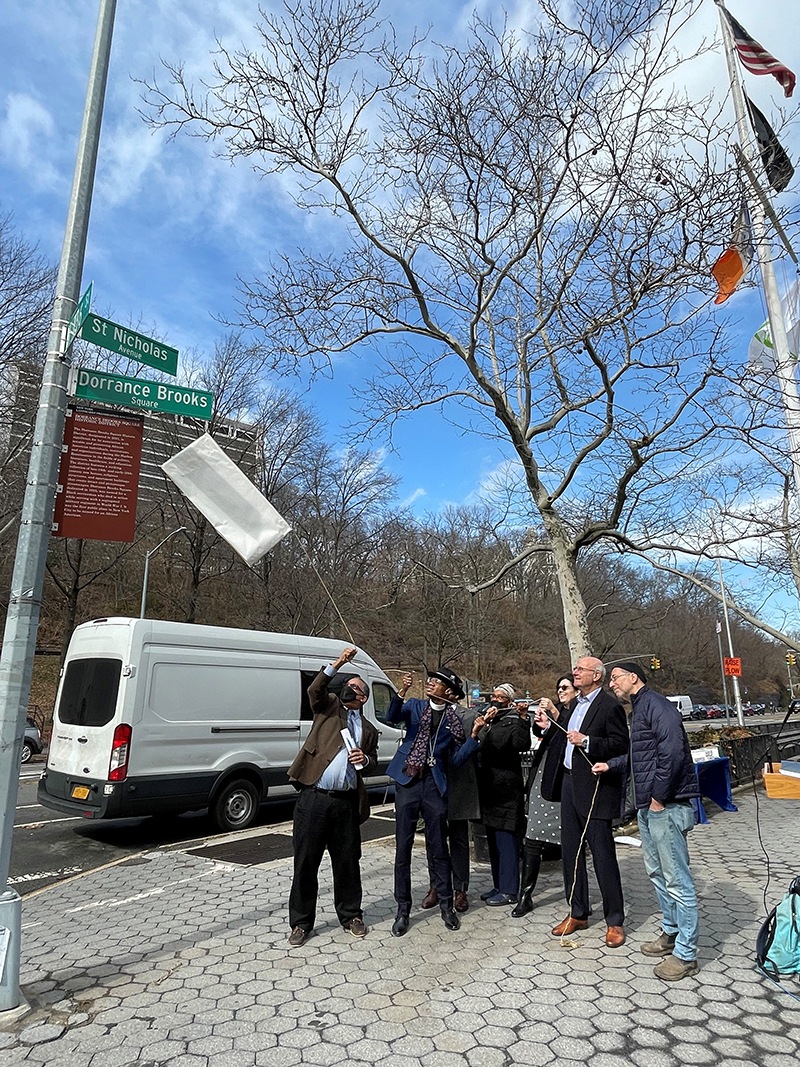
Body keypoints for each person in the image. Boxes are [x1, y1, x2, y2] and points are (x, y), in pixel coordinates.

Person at [594, 662, 701, 981]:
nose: (611, 683)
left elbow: (673, 753)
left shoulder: (658, 705)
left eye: (615, 677)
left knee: (678, 880)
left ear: (633, 677)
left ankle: (687, 953)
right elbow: (640, 756)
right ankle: (670, 933)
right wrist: (610, 765)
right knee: (657, 874)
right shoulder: (639, 709)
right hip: (649, 807)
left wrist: (657, 798)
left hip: (665, 808)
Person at [286, 646, 379, 948]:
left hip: (345, 803)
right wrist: (339, 663)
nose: (348, 690)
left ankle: (351, 915)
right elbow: (316, 688)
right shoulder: (327, 709)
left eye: (354, 687)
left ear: (363, 697)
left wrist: (364, 759)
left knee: (347, 863)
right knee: (305, 863)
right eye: (346, 686)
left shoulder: (367, 728)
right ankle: (301, 923)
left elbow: (373, 759)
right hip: (314, 798)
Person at [533, 656, 629, 947]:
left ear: (596, 676)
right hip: (569, 784)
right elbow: (561, 738)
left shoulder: (610, 706)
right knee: (571, 853)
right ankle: (578, 911)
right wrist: (545, 727)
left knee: (602, 854)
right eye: (575, 669)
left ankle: (614, 919)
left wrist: (588, 741)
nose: (575, 672)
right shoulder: (573, 704)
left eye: (580, 670)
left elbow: (620, 745)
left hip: (597, 787)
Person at [386, 666, 482, 935]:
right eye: (429, 681)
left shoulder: (452, 720)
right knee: (402, 847)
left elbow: (457, 759)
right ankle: (402, 910)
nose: (430, 684)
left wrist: (473, 736)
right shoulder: (415, 706)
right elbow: (392, 716)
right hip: (408, 778)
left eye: (436, 683)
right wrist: (401, 692)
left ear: (448, 691)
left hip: (434, 783)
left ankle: (446, 907)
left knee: (440, 846)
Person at [512, 675, 576, 918]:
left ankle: (576, 898)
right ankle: (525, 895)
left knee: (571, 843)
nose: (560, 691)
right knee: (532, 839)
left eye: (565, 687)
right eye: (558, 687)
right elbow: (543, 733)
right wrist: (540, 722)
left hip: (566, 779)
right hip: (544, 777)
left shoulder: (580, 710)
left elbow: (570, 734)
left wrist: (555, 719)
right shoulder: (557, 709)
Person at [420, 701, 480, 914]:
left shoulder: (469, 716)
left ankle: (460, 889)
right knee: (433, 839)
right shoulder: (426, 713)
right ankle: (436, 885)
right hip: (433, 786)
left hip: (459, 785)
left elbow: (474, 752)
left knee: (459, 840)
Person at [474, 684, 531, 906]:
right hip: (488, 788)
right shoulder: (489, 720)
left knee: (506, 840)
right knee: (493, 840)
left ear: (508, 701)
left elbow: (522, 744)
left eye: (501, 697)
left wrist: (524, 719)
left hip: (506, 790)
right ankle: (498, 884)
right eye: (494, 696)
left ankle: (510, 890)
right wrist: (484, 723)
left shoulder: (514, 721)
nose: (496, 700)